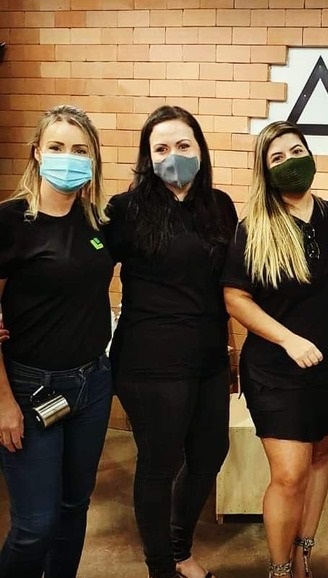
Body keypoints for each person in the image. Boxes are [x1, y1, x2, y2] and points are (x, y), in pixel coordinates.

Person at [221, 120, 328, 578]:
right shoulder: (253, 230)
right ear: (264, 171)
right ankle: (280, 568)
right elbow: (235, 298)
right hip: (277, 373)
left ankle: (304, 553)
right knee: (289, 474)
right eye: (277, 157)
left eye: (296, 151)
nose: (290, 163)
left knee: (321, 459)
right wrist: (288, 339)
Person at [105, 105, 237, 578]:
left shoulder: (219, 205)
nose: (173, 156)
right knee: (159, 464)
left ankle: (180, 548)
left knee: (210, 453)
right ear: (148, 156)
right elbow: (83, 265)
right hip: (150, 360)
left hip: (207, 357)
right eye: (160, 148)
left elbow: (229, 282)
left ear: (200, 149)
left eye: (183, 145)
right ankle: (162, 566)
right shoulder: (125, 209)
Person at [0, 105, 114, 578]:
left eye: (80, 150)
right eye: (57, 147)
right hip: (29, 388)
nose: (68, 157)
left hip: (93, 383)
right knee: (35, 525)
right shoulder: (10, 221)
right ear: (37, 152)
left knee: (74, 506)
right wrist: (3, 401)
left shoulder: (98, 222)